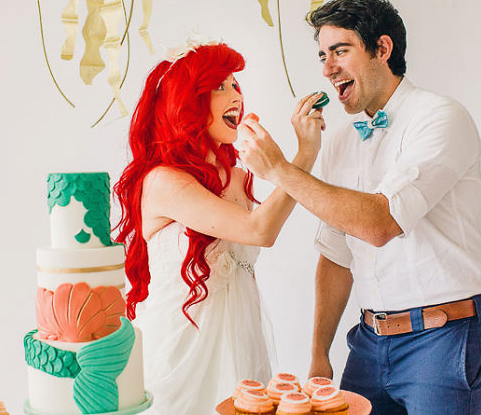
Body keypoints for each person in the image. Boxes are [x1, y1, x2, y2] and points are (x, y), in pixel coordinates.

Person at [238, 0, 481, 414]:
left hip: (444, 339)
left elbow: (381, 224)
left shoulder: (441, 117)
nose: (327, 68)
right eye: (322, 55)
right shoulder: (340, 141)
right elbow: (337, 256)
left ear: (382, 48)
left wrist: (281, 170)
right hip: (368, 343)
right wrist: (320, 353)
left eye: (340, 51)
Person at [113, 40, 326, 414]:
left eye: (235, 85)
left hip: (240, 340)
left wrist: (284, 167)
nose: (236, 96)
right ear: (187, 102)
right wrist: (301, 157)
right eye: (220, 86)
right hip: (182, 346)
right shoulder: (163, 180)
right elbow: (260, 230)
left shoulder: (240, 177)